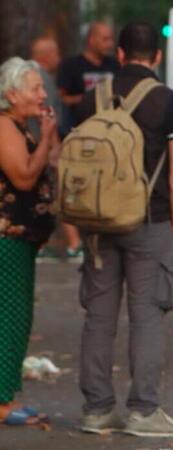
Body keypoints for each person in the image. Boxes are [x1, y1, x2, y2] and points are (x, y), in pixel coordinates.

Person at [72, 22, 173, 437]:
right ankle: (142, 411)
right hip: (150, 222)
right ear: (156, 57)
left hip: (98, 225)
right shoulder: (169, 103)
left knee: (99, 317)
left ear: (119, 54)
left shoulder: (92, 99)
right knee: (147, 316)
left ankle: (96, 409)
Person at [0, 57, 57, 427]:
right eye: (34, 88)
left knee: (18, 316)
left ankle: (7, 394)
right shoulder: (4, 126)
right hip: (8, 239)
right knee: (11, 317)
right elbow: (22, 177)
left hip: (23, 240)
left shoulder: (22, 126)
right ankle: (2, 402)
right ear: (11, 94)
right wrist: (49, 134)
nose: (42, 94)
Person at [30, 36, 83, 263]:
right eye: (55, 53)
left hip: (34, 144)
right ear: (45, 56)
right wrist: (53, 146)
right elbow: (47, 113)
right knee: (58, 192)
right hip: (40, 145)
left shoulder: (30, 76)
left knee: (45, 193)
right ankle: (73, 244)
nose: (59, 58)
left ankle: (40, 244)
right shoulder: (40, 79)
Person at [58, 22, 119, 130]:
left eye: (111, 40)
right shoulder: (71, 65)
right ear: (91, 40)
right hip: (79, 129)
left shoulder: (115, 65)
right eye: (105, 40)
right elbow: (61, 98)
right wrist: (86, 99)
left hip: (110, 129)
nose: (110, 44)